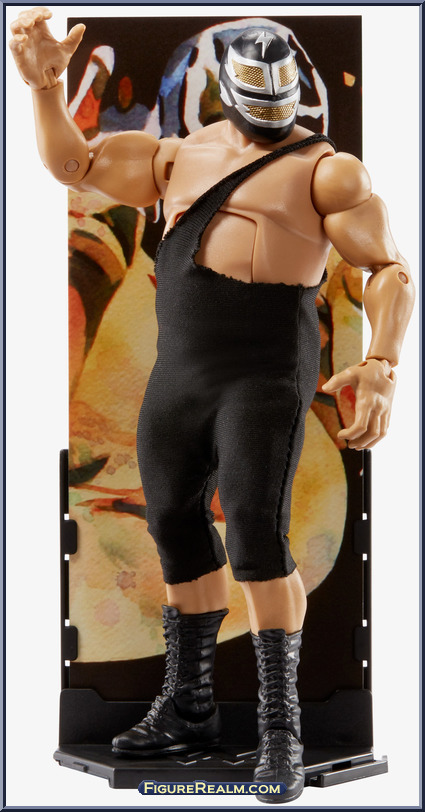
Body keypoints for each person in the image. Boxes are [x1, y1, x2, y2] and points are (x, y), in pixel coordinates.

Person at [10, 8, 414, 804]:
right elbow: (74, 164)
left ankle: (279, 729)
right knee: (173, 525)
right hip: (180, 374)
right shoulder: (174, 156)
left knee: (258, 536)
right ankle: (188, 707)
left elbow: (388, 270)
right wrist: (46, 90)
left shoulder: (327, 171)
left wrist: (381, 363)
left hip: (262, 375)